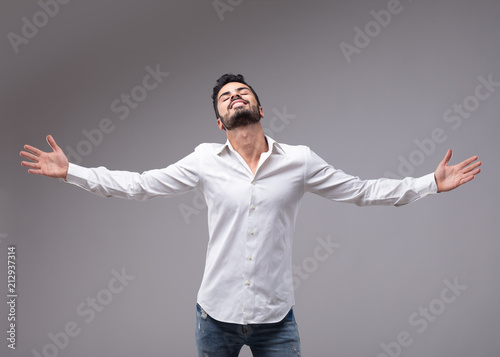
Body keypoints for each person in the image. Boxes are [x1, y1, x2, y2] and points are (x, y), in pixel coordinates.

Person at [20, 73, 482, 356]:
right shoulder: (205, 159)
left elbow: (360, 191)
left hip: (276, 321)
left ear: (260, 108)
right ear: (219, 122)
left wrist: (429, 184)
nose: (236, 97)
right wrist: (72, 172)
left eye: (243, 92)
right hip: (213, 317)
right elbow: (140, 185)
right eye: (226, 97)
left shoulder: (299, 160)